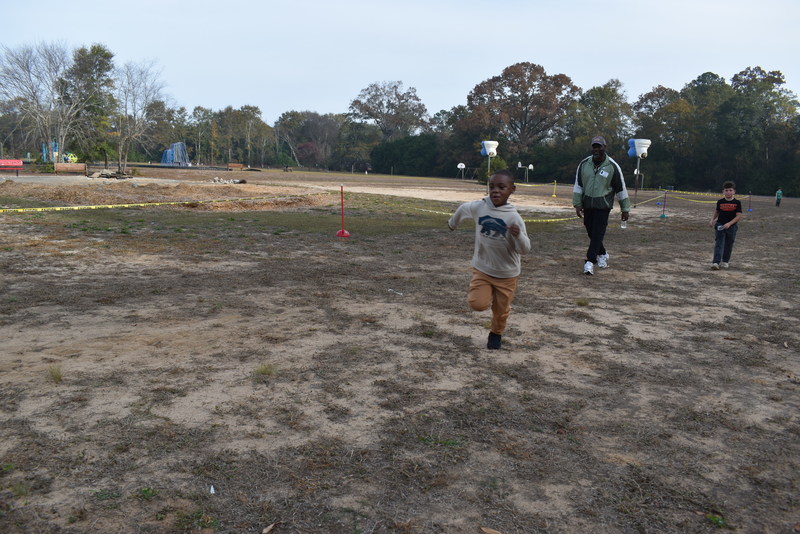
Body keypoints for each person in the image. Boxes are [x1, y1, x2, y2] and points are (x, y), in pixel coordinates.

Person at [448, 169, 531, 350]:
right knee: (477, 304)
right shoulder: (480, 207)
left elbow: (525, 249)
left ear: (512, 189)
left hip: (507, 274)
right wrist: (452, 223)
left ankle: (496, 333)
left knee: (501, 311)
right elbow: (463, 208)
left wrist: (518, 236)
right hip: (483, 269)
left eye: (502, 187)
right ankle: (487, 295)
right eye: (492, 186)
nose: (496, 191)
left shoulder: (513, 217)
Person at [573, 136, 631, 275]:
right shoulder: (584, 164)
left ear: (605, 147)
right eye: (594, 146)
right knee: (591, 232)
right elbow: (578, 185)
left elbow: (620, 188)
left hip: (603, 205)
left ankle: (589, 261)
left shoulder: (612, 166)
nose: (596, 149)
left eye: (599, 146)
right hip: (588, 204)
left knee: (598, 233)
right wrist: (577, 204)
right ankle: (603, 253)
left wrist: (625, 209)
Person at [710, 181, 743, 270]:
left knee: (729, 244)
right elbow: (717, 211)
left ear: (734, 191)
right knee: (719, 243)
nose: (728, 192)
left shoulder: (737, 202)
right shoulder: (720, 202)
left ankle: (725, 261)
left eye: (730, 190)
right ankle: (716, 262)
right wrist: (712, 220)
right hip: (720, 224)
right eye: (726, 190)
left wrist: (729, 223)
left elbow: (738, 216)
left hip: (732, 226)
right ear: (723, 191)